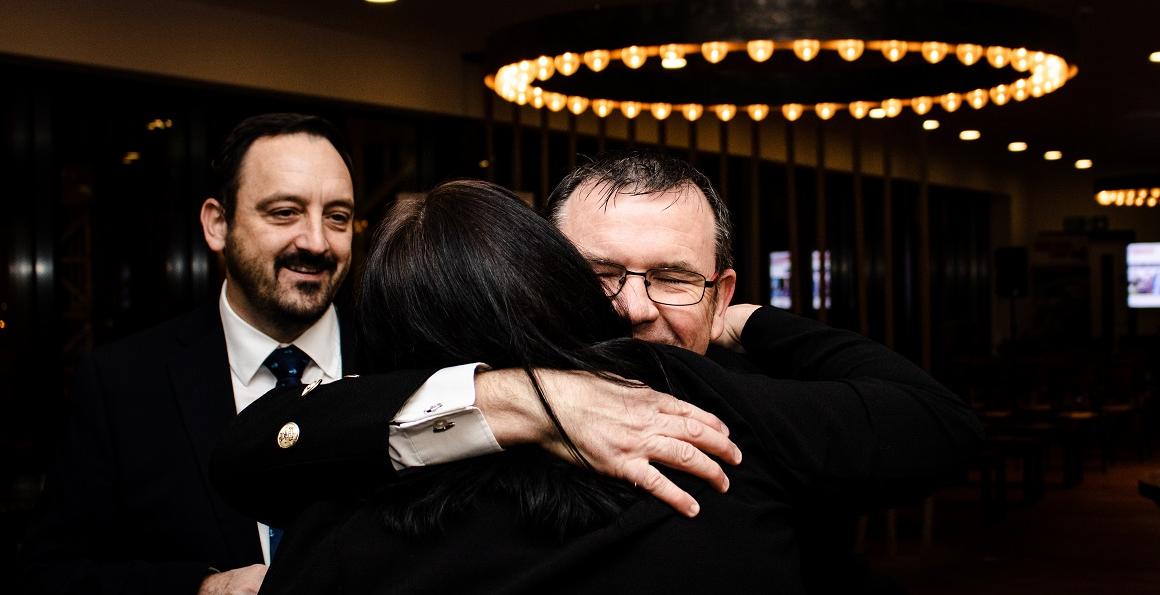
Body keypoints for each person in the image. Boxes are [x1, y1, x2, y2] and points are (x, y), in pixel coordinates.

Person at [19, 122, 735, 595]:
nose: (316, 240)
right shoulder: (122, 381)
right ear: (216, 223)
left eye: (338, 216)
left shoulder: (419, 351)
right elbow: (51, 572)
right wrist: (201, 588)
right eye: (282, 212)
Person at [214, 179, 979, 593]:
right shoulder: (360, 469)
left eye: (676, 280)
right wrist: (519, 397)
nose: (634, 306)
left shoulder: (711, 403)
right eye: (600, 275)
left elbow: (934, 423)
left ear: (720, 290)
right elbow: (250, 452)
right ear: (541, 274)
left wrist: (754, 324)